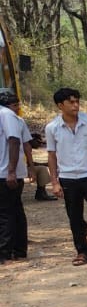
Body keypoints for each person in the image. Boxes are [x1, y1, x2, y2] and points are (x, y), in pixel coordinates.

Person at [45, 87, 87, 265]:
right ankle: (82, 252)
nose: (76, 105)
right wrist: (54, 182)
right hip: (68, 178)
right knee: (75, 217)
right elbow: (51, 156)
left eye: (77, 101)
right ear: (60, 105)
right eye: (71, 102)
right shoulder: (52, 128)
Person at [0, 89, 31, 261]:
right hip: (6, 172)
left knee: (5, 213)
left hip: (6, 173)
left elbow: (14, 140)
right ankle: (18, 250)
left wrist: (11, 171)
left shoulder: (7, 115)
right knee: (14, 210)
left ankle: (5, 251)